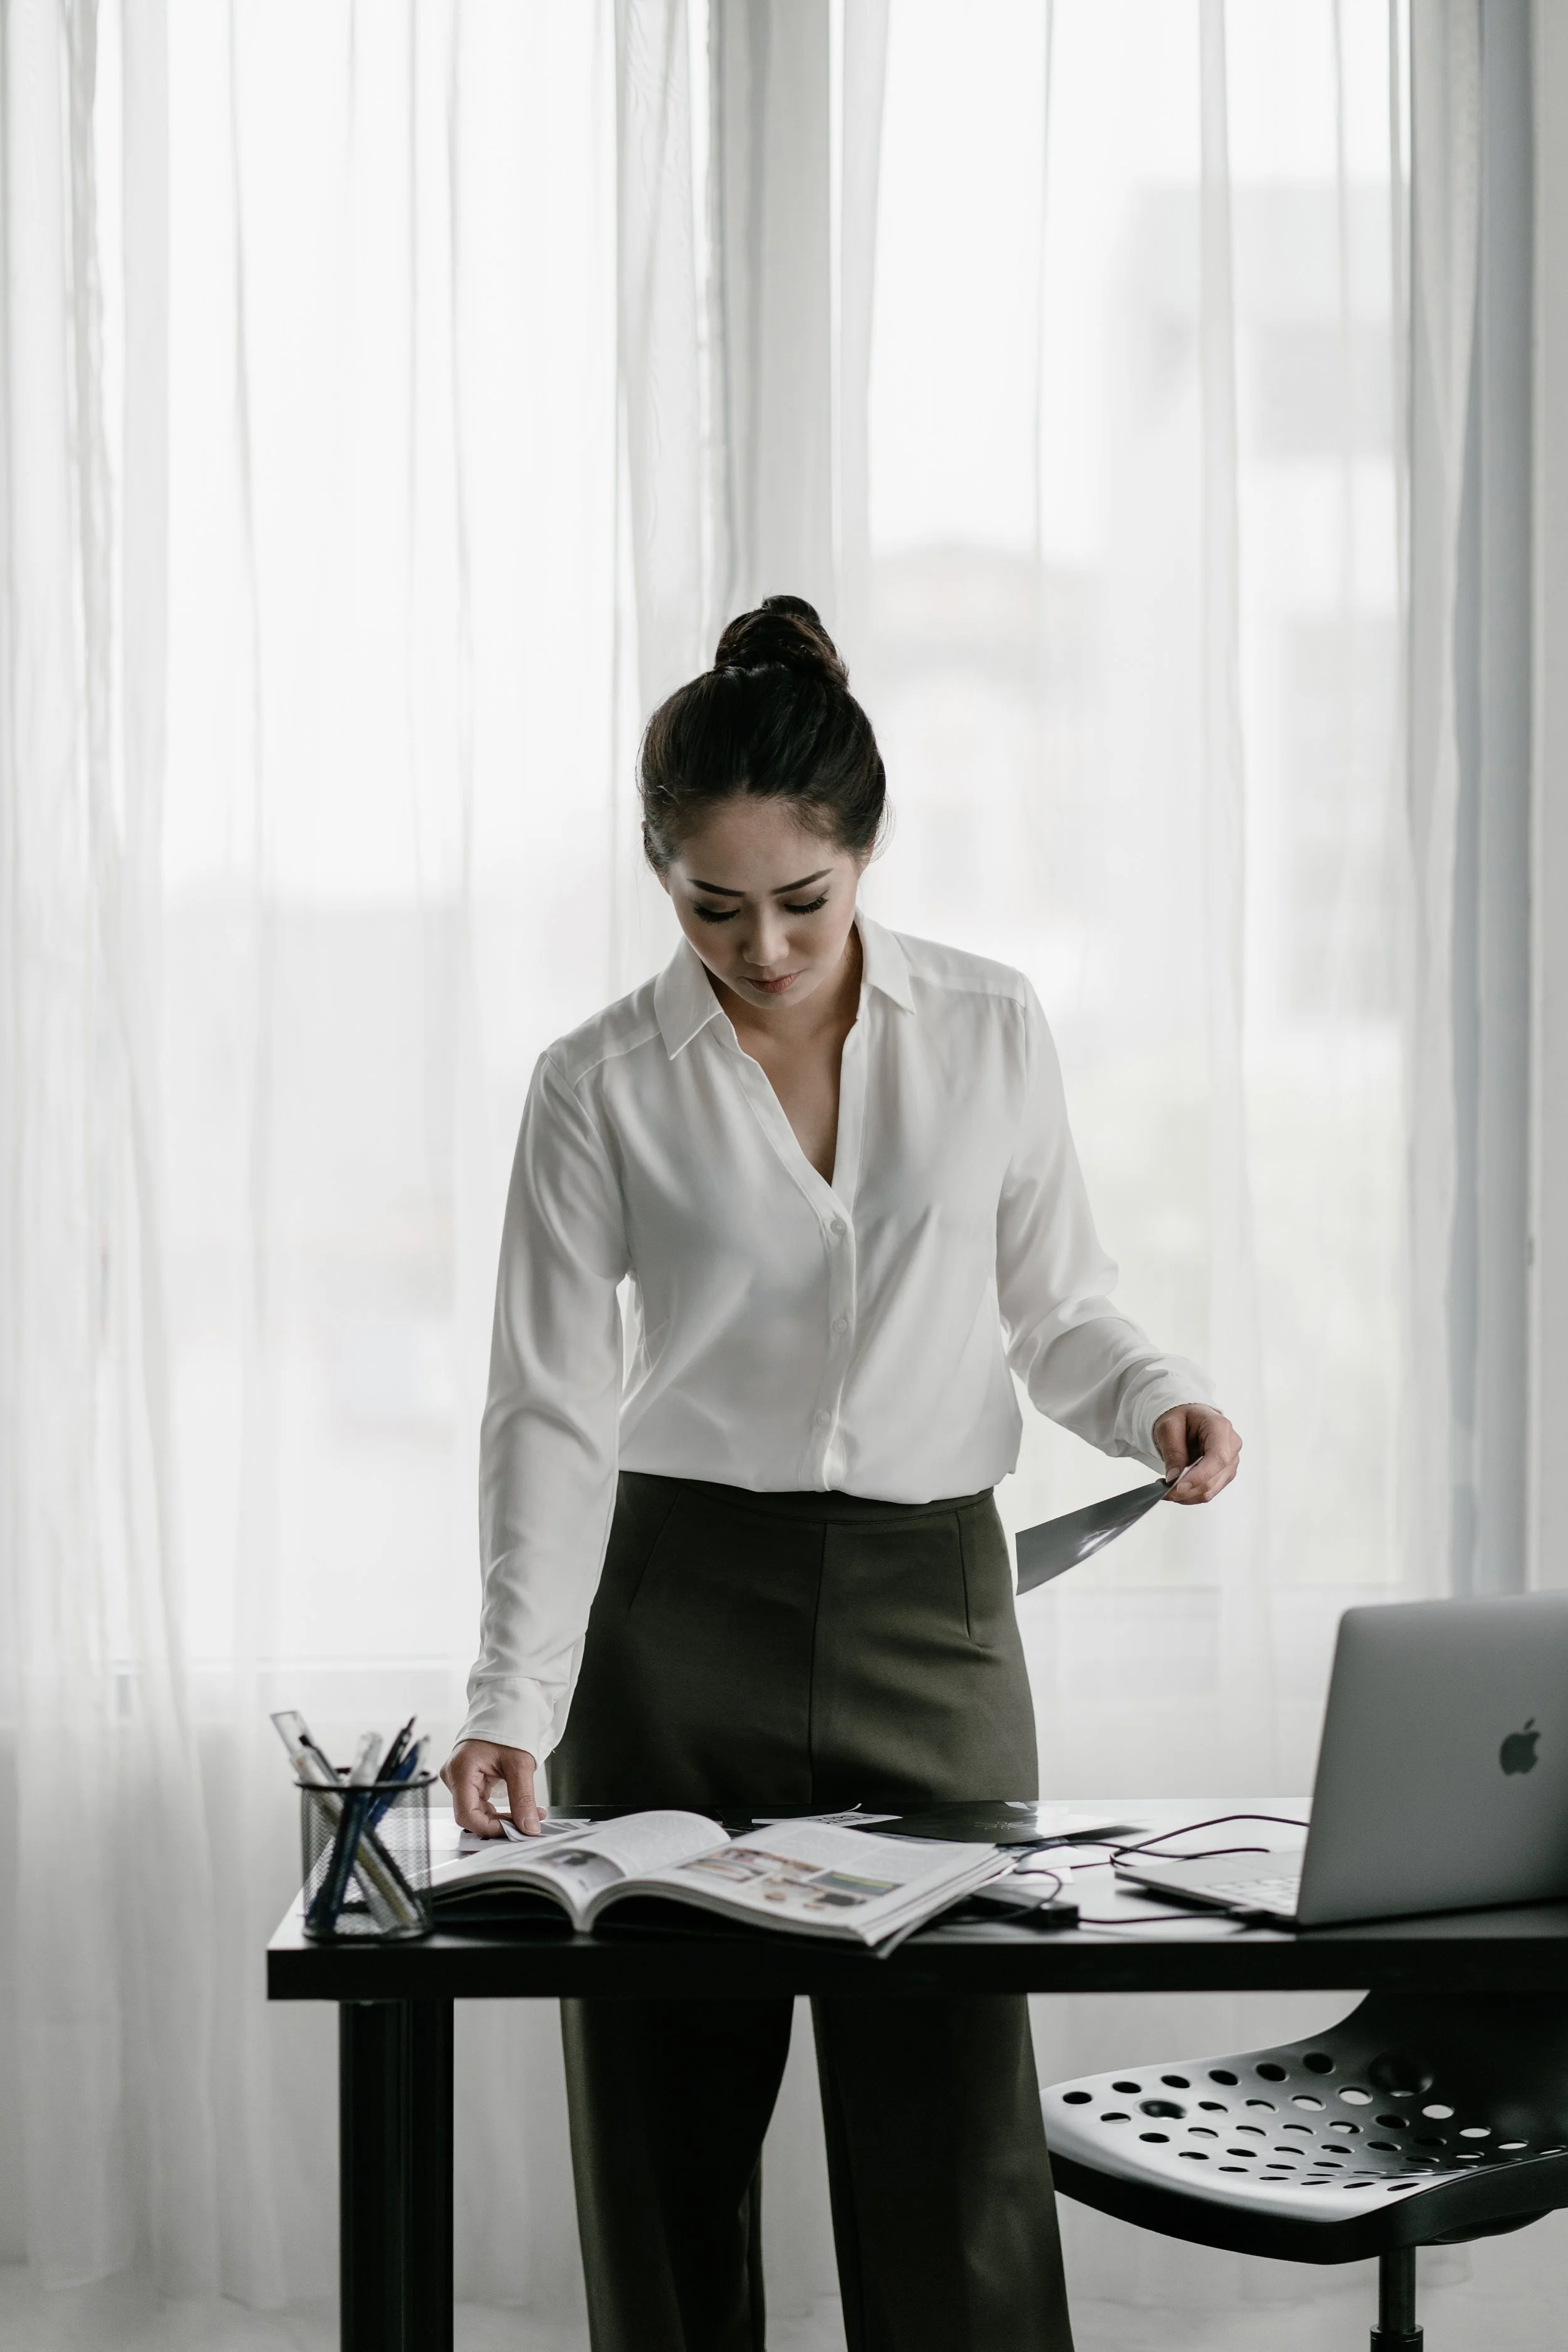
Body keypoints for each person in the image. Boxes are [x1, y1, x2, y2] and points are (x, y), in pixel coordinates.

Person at [443, 595, 1241, 2352]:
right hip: (670, 1631)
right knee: (663, 2141)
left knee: (947, 2146)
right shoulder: (593, 1085)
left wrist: (1153, 1397)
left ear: (863, 852)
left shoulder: (990, 1026)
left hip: (930, 1619)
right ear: (659, 877)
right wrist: (514, 1691)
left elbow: (1058, 1310)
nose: (762, 943)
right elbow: (550, 1407)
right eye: (709, 905)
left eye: (801, 898)